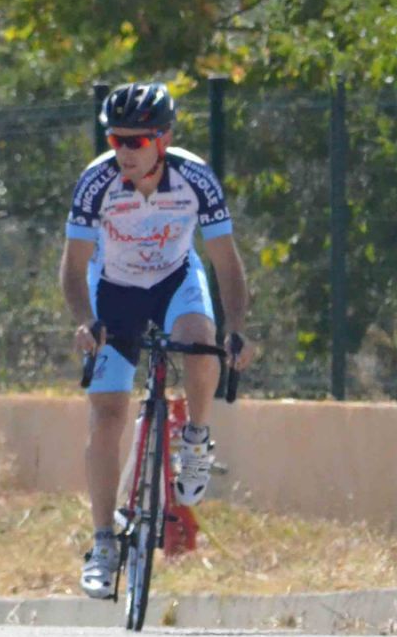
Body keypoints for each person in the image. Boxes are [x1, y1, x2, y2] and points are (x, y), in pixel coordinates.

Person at [62, 82, 254, 600]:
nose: (124, 151)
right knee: (106, 412)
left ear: (163, 140)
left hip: (175, 279)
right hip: (115, 288)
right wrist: (85, 320)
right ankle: (103, 542)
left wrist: (236, 327)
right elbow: (73, 268)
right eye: (116, 139)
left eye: (137, 141)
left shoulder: (195, 178)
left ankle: (196, 439)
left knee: (200, 343)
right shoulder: (96, 181)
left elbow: (226, 262)